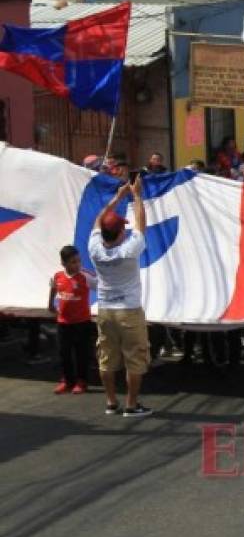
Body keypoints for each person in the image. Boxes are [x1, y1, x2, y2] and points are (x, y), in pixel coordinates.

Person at [88, 177, 152, 417]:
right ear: (119, 231)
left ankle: (111, 402)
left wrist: (116, 198)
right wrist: (136, 195)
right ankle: (131, 405)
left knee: (106, 357)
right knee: (135, 358)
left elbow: (97, 220)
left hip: (105, 310)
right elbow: (141, 224)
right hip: (129, 310)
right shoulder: (129, 249)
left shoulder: (94, 248)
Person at [48, 245, 97, 394]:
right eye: (73, 262)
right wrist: (50, 304)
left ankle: (81, 382)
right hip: (63, 322)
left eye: (78, 261)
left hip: (82, 322)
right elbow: (53, 288)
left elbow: (102, 287)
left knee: (81, 353)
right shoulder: (58, 276)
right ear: (63, 263)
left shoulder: (86, 276)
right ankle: (67, 381)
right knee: (64, 353)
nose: (77, 264)